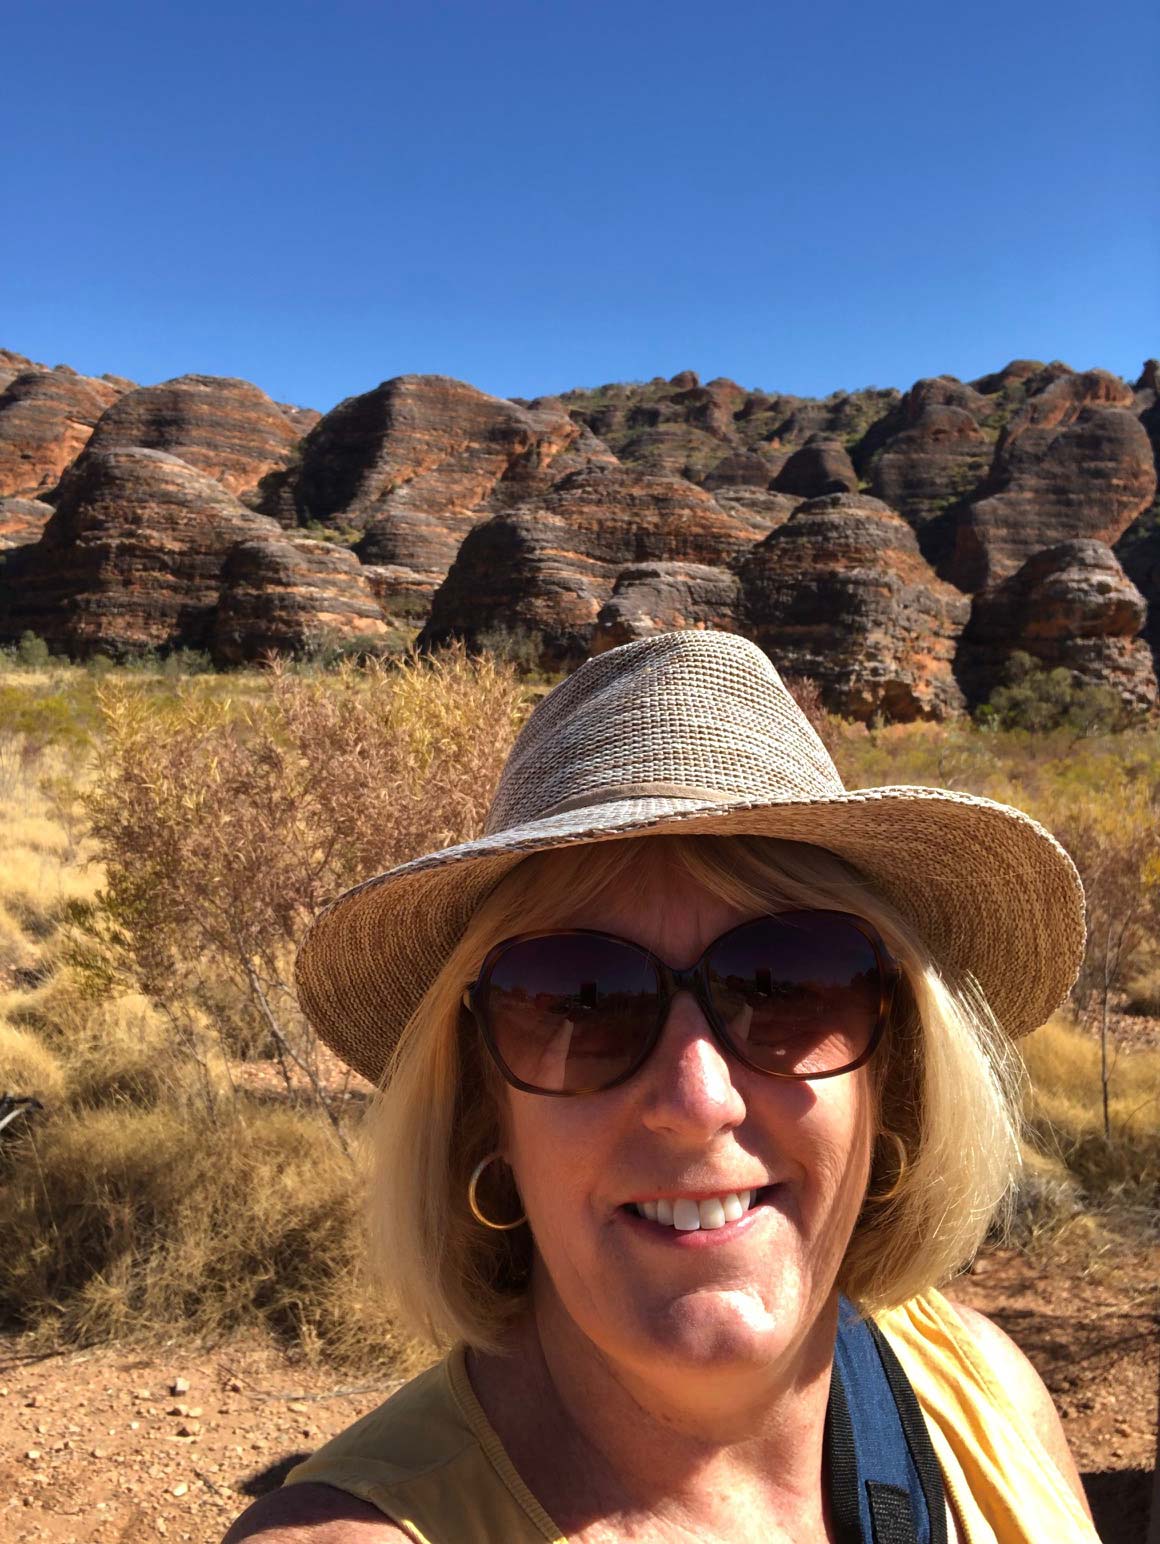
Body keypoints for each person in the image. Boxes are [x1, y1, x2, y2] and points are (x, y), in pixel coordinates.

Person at [224, 629, 1098, 1543]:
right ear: (489, 1113)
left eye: (787, 986)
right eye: (580, 1001)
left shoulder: (983, 1394)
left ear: (895, 1075)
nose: (697, 1101)